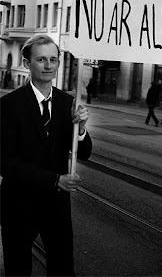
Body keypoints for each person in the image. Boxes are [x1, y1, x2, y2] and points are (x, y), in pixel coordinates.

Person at [0, 34, 93, 277]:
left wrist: (81, 129)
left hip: (56, 206)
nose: (48, 65)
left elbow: (84, 153)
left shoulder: (67, 103)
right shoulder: (9, 105)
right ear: (27, 63)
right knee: (18, 268)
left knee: (62, 268)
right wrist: (54, 180)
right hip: (18, 204)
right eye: (41, 59)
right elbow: (5, 163)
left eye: (53, 59)